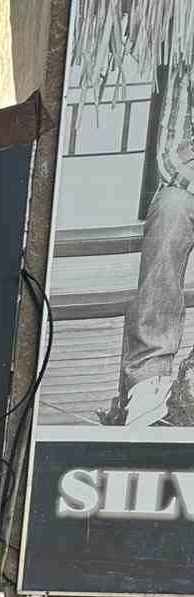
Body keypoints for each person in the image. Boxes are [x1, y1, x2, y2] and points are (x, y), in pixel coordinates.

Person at [105, 57, 194, 427]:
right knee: (171, 209)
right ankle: (148, 380)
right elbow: (171, 157)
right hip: (189, 186)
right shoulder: (184, 57)